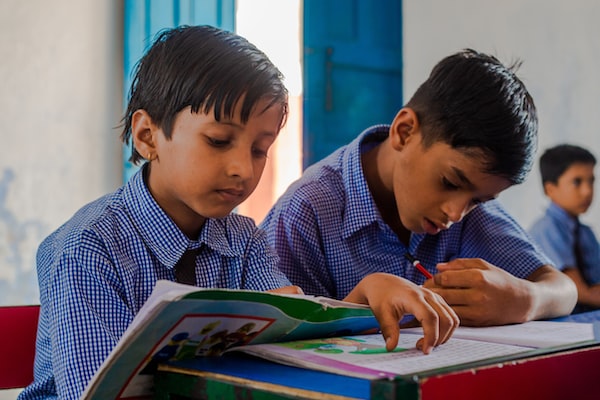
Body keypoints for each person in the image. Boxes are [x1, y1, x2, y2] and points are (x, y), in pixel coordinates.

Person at [19, 26, 457, 400]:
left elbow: (294, 330)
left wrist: (362, 298)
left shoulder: (243, 239)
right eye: (218, 141)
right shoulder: (89, 248)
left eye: (260, 150)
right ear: (147, 136)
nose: (242, 169)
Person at [261, 48, 578, 328]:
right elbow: (277, 338)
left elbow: (563, 289)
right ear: (404, 132)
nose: (455, 213)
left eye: (478, 201)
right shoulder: (309, 209)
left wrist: (523, 299)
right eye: (449, 182)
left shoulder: (469, 206)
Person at [529, 144, 600, 313]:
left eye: (591, 181)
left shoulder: (585, 233)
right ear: (550, 189)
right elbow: (578, 291)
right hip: (564, 323)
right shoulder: (547, 229)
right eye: (577, 182)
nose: (587, 191)